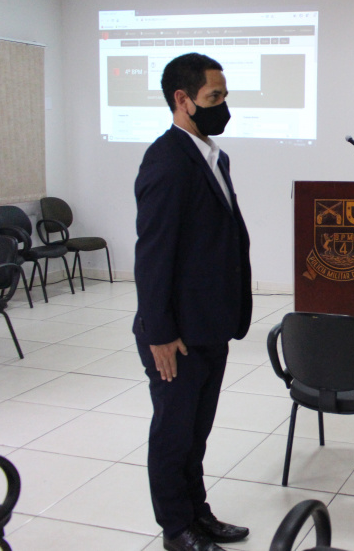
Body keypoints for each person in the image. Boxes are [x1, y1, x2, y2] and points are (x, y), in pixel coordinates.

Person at [133, 53, 252, 551]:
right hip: (176, 335)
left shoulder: (212, 156)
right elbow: (153, 255)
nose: (223, 106)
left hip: (209, 324)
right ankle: (175, 529)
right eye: (213, 97)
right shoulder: (167, 161)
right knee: (173, 434)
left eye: (224, 96)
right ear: (183, 100)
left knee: (195, 433)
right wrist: (160, 333)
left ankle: (198, 514)